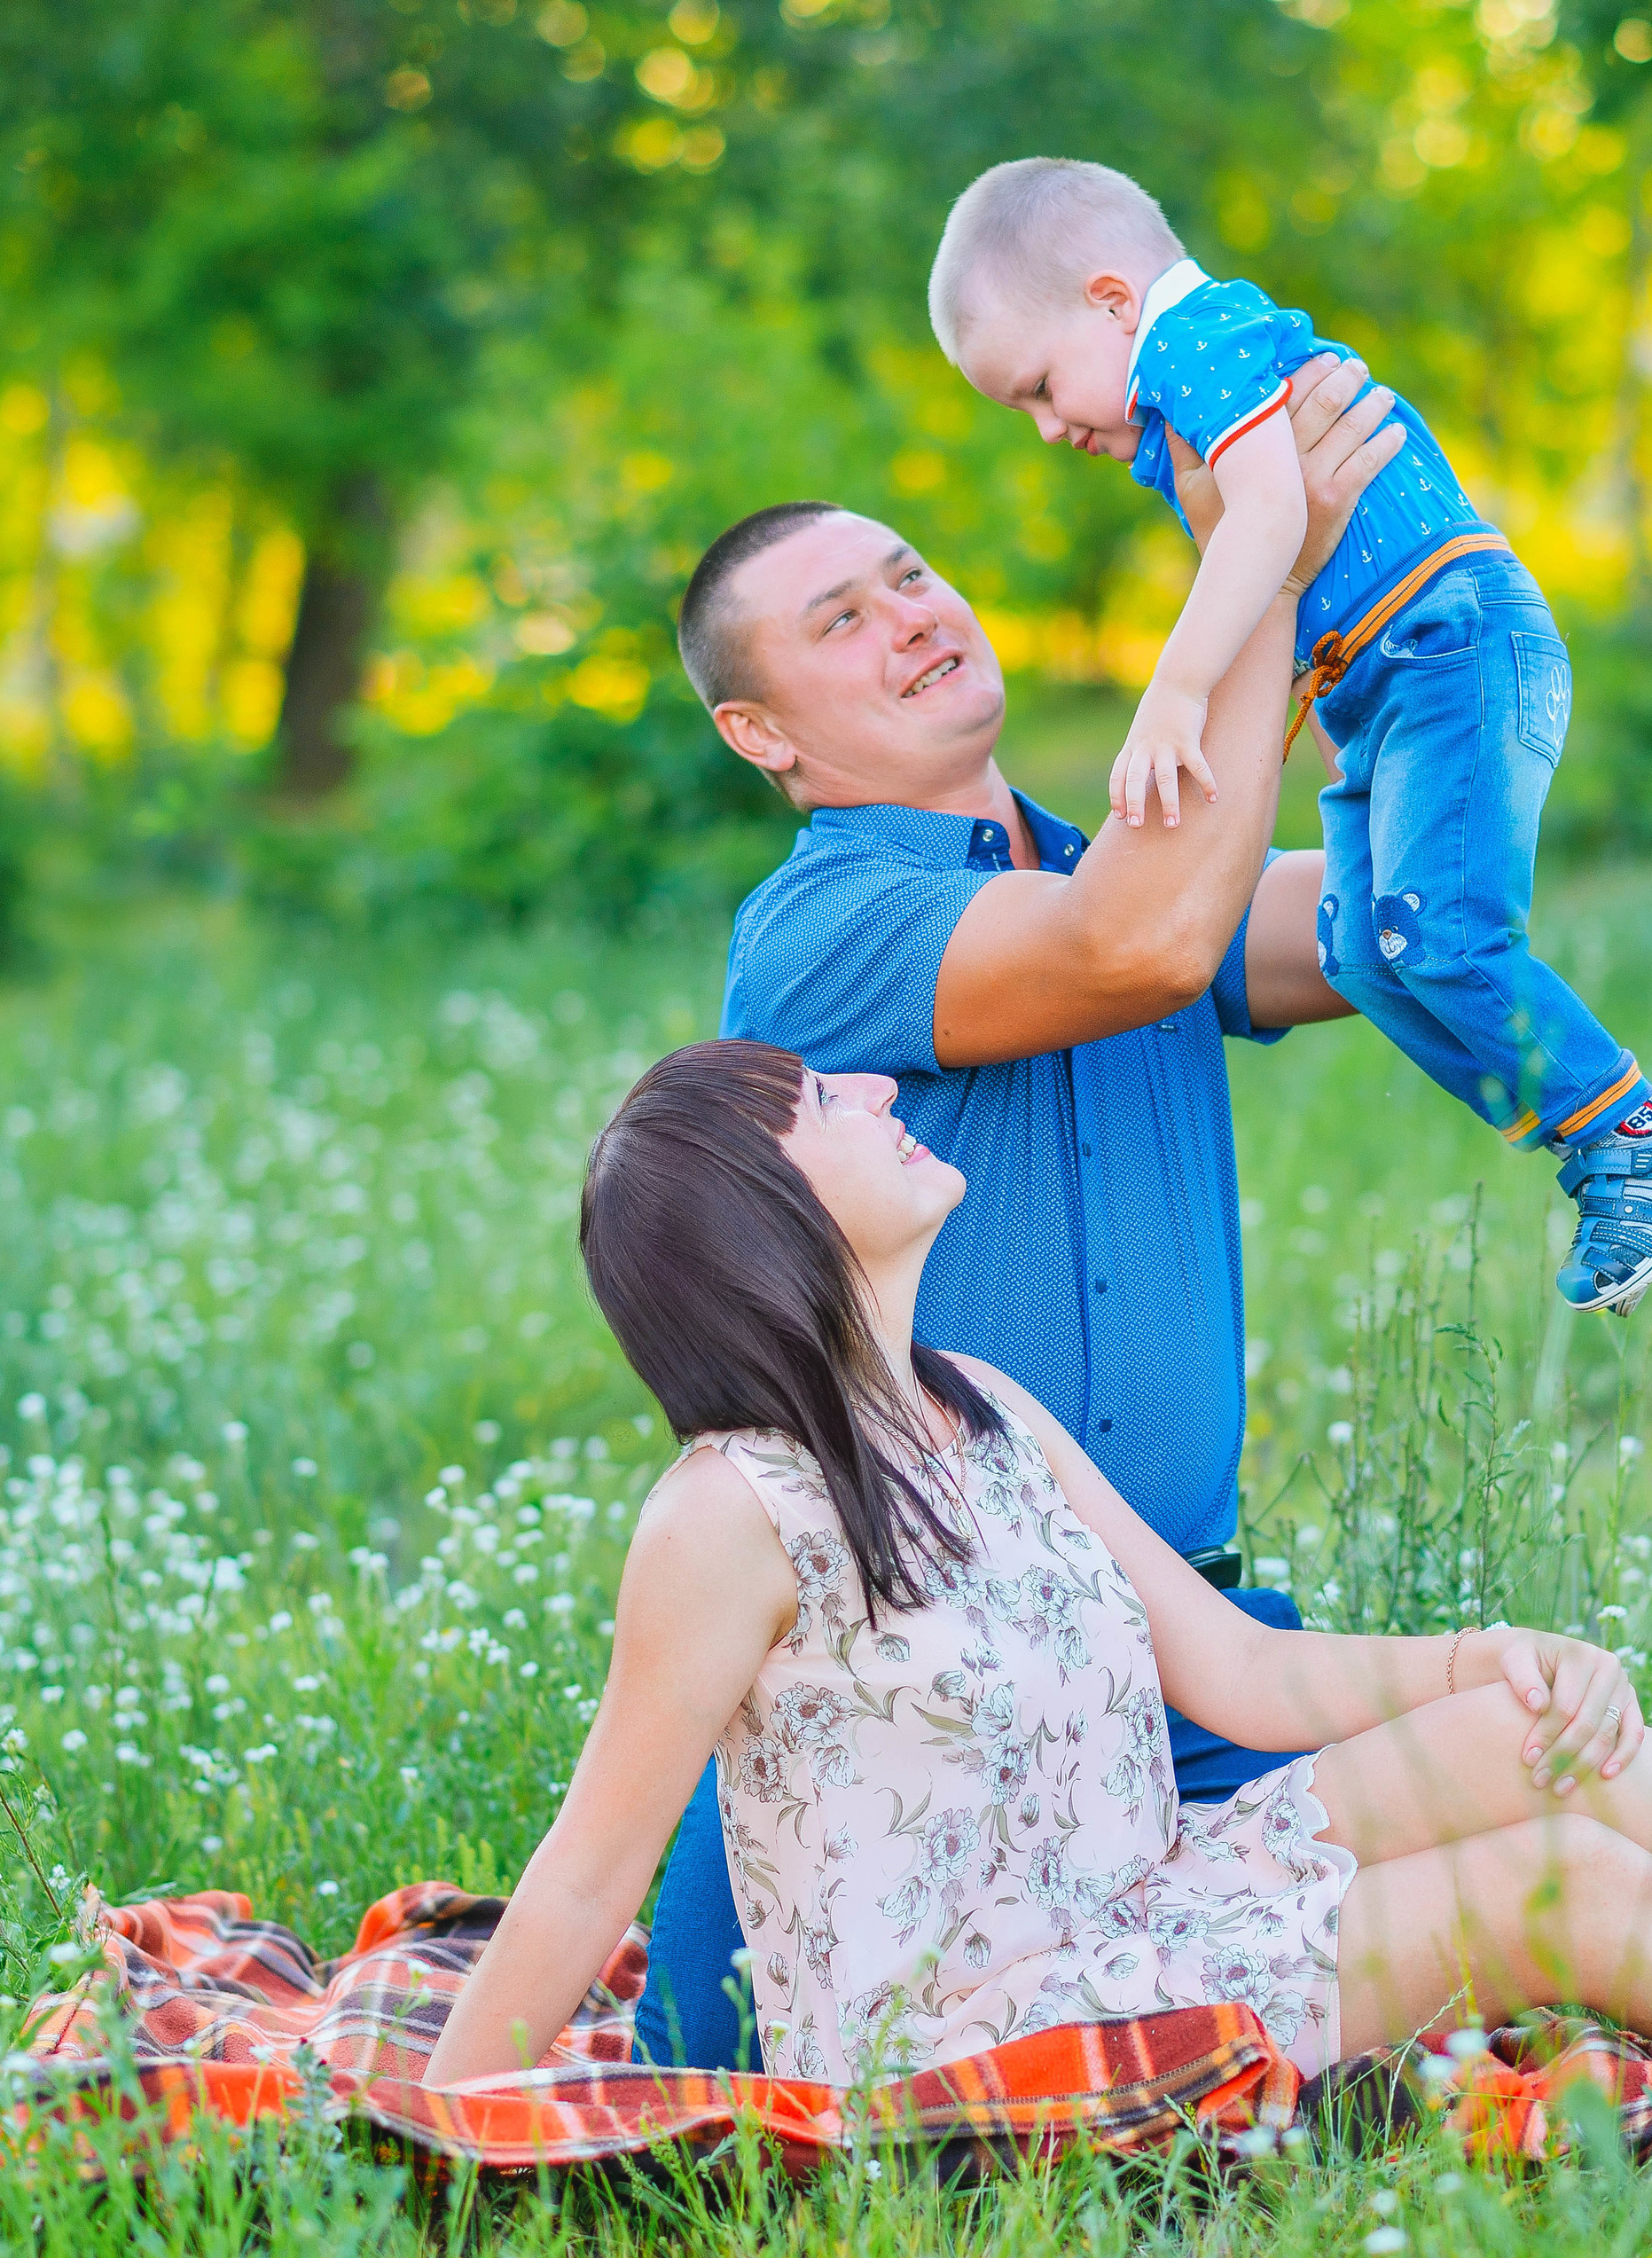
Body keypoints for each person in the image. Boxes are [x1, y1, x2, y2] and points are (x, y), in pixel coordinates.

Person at [426, 1045, 1652, 2100]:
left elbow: (1238, 1679)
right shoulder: (729, 1511)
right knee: (1547, 1883)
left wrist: (1492, 1650)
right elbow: (586, 1873)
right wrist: (455, 2133)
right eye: (823, 1100)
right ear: (760, 1216)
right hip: (959, 2045)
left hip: (1139, 1912)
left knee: (1537, 1747)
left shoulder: (985, 1405)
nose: (878, 1087)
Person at [630, 352, 1403, 2067]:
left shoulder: (1120, 864)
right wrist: (1253, 560)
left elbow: (1403, 915)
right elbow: (1136, 944)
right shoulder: (819, 929)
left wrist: (1391, 587)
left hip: (1195, 1658)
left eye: (909, 574)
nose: (907, 617)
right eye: (838, 620)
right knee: (720, 2085)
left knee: (1564, 1843)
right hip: (927, 1690)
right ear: (760, 734)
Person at [928, 156, 1652, 1318]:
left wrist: (1175, 690)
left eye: (1042, 387)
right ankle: (1595, 1144)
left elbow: (1272, 515)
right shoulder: (1172, 387)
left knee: (1441, 933)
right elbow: (1290, 549)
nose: (1049, 427)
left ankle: (1643, 1140)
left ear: (1113, 300)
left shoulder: (1196, 339)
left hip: (1450, 643)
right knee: (1362, 949)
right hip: (1381, 679)